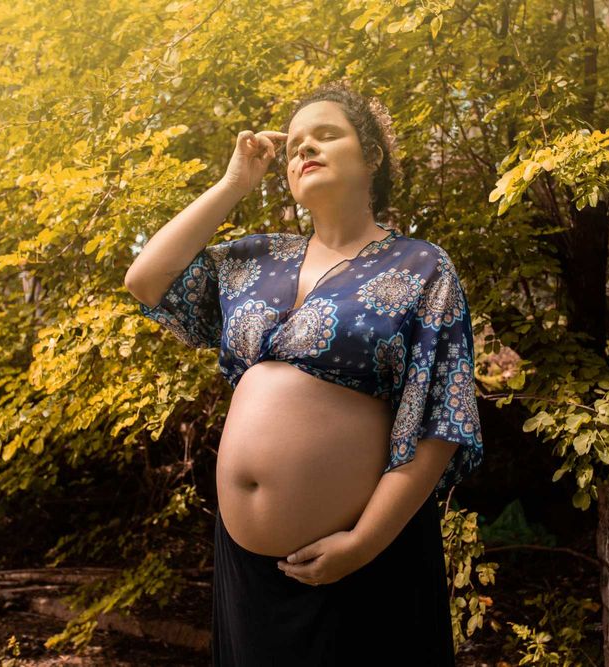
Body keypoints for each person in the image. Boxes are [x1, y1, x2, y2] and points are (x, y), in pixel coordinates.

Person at [124, 79, 483, 666]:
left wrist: (362, 544)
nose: (304, 149)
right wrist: (234, 183)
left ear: (372, 156)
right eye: (293, 145)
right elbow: (145, 280)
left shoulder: (421, 266)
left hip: (364, 558)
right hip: (246, 568)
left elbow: (440, 422)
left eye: (326, 135)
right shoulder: (255, 259)